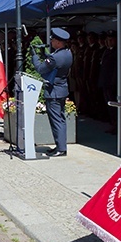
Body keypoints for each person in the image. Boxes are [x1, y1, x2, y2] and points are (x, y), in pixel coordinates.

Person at [32, 28, 73, 157]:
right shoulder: (67, 53)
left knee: (56, 120)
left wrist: (34, 56)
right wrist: (46, 55)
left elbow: (40, 69)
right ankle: (60, 146)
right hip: (61, 89)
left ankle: (61, 149)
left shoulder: (55, 57)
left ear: (59, 42)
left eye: (54, 40)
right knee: (60, 119)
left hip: (54, 91)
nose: (52, 42)